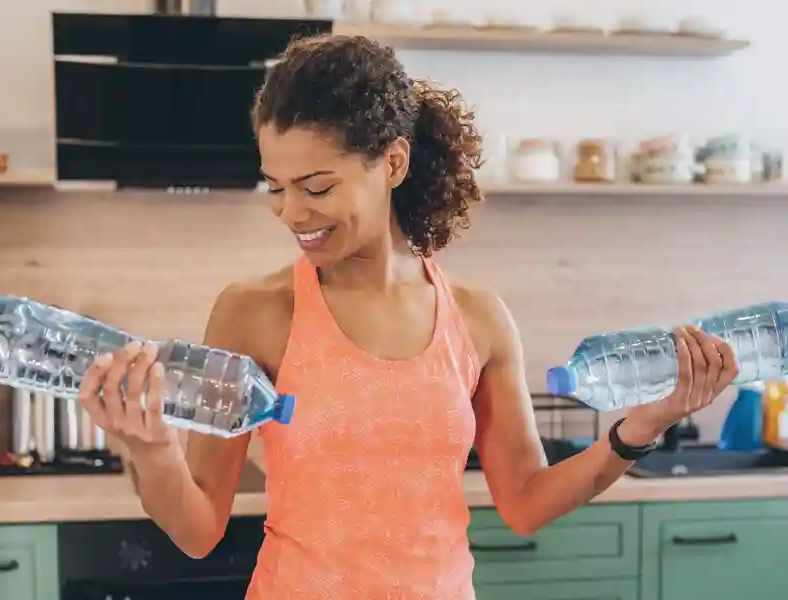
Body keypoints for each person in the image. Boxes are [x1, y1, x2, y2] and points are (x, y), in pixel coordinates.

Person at [77, 34, 739, 600]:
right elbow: (199, 531)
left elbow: (528, 501)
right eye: (276, 188)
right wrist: (150, 447)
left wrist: (646, 423)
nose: (291, 213)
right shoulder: (255, 312)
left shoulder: (477, 319)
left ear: (392, 162)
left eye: (318, 186)